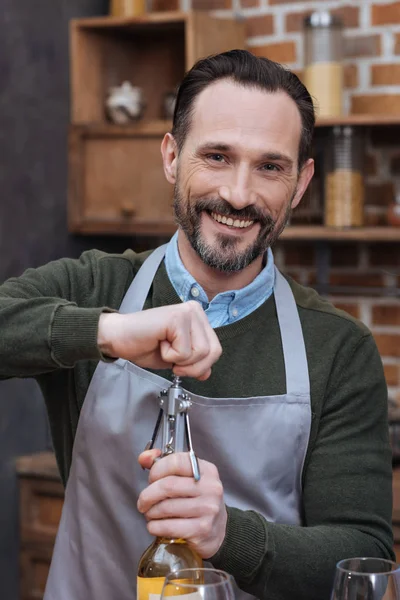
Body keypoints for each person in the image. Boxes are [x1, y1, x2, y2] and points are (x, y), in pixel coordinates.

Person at [0, 49, 394, 600]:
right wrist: (108, 332)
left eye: (270, 166)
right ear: (170, 155)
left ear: (301, 184)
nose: (238, 193)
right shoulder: (96, 290)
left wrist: (228, 534)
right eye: (216, 155)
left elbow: (363, 554)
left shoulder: (337, 348)